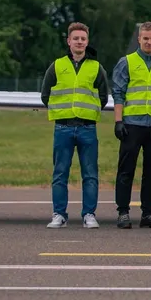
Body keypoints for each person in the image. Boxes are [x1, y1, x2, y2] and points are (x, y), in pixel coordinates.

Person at [41, 22, 109, 229]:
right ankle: (59, 214)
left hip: (87, 128)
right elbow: (45, 95)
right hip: (63, 128)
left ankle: (89, 214)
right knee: (60, 173)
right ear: (69, 41)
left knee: (90, 174)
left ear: (87, 42)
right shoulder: (57, 65)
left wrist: (88, 112)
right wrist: (62, 112)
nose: (79, 42)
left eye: (83, 39)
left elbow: (104, 97)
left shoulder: (96, 68)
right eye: (76, 38)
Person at [111, 21, 151, 229]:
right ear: (139, 39)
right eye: (145, 38)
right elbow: (118, 93)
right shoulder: (127, 62)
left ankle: (148, 213)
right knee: (126, 170)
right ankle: (123, 212)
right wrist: (118, 121)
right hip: (132, 124)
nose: (149, 42)